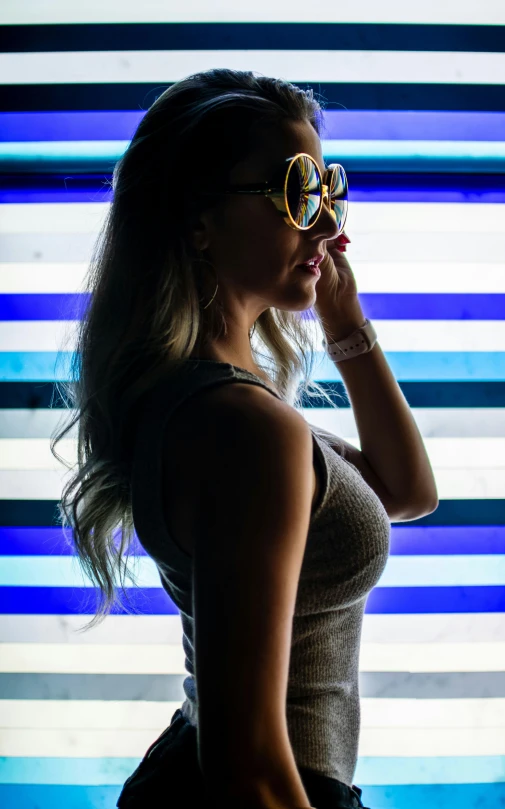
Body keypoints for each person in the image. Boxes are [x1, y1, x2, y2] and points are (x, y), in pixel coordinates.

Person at [51, 67, 438, 809]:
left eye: (329, 193)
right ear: (199, 219)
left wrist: (344, 322)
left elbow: (405, 492)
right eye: (297, 192)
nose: (328, 225)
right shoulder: (242, 428)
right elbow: (250, 767)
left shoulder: (229, 406)